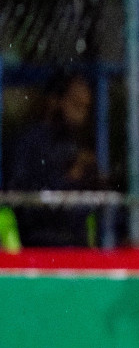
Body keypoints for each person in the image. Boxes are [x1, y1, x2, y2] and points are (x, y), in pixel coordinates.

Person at [6, 72, 102, 246]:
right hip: (42, 247)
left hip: (76, 247)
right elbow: (25, 201)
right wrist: (71, 175)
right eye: (75, 105)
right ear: (56, 101)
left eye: (85, 108)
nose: (81, 115)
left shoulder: (75, 142)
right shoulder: (31, 143)